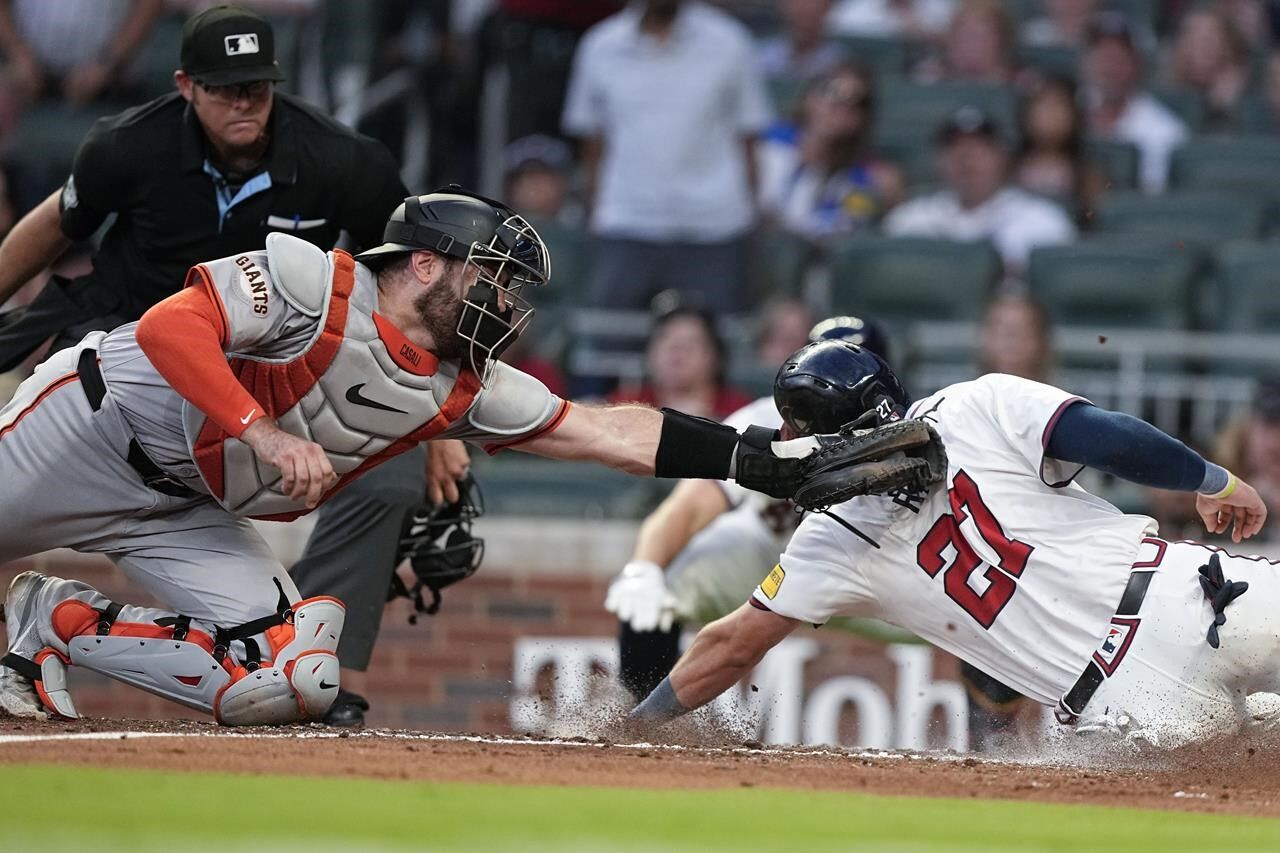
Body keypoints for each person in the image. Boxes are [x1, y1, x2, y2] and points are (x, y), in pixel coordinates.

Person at [0, 188, 806, 725]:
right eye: (491, 276)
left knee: (296, 680)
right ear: (426, 263)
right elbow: (168, 330)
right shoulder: (310, 280)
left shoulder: (466, 385)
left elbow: (609, 435)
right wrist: (266, 433)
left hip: (184, 508)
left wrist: (755, 457)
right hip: (91, 428)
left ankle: (58, 622)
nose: (508, 302)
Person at [629, 340, 1273, 751]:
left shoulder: (833, 538)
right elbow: (1106, 437)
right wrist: (1210, 478)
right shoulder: (976, 403)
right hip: (1183, 598)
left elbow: (726, 646)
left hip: (1128, 695)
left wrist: (631, 731)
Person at [0, 4, 408, 373]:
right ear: (186, 86)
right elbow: (60, 219)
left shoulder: (342, 159)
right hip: (129, 322)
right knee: (71, 395)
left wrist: (430, 419)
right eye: (225, 88)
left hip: (266, 346)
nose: (243, 102)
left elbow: (402, 272)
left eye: (255, 86)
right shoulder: (128, 144)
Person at [607, 316, 890, 701]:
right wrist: (643, 569)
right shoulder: (765, 420)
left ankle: (993, 737)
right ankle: (639, 722)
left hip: (876, 573)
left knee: (978, 607)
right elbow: (689, 507)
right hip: (776, 560)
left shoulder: (914, 430)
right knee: (668, 577)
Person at [560, 0, 771, 317]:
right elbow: (592, 144)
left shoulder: (729, 42)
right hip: (626, 223)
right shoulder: (599, 46)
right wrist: (597, 210)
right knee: (608, 348)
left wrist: (752, 215)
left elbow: (749, 139)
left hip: (714, 228)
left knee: (718, 350)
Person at [882, 106, 1076, 279]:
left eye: (979, 149)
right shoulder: (910, 219)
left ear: (1002, 157)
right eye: (955, 149)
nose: (967, 159)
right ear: (939, 160)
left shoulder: (1042, 221)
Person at [759, 63, 903, 243]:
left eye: (857, 101)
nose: (840, 106)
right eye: (831, 91)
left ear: (864, 117)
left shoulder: (871, 177)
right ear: (809, 97)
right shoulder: (764, 143)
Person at [1081, 12, 1187, 194]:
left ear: (1136, 63)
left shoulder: (1165, 130)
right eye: (1101, 56)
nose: (1108, 67)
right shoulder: (1066, 110)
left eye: (1117, 57)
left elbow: (1152, 195)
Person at [608, 305, 752, 421]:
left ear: (715, 356)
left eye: (691, 343)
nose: (676, 352)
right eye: (666, 340)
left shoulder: (741, 412)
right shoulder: (626, 405)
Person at [1013, 78, 1106, 215]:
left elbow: (1094, 215)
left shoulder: (1088, 172)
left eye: (1058, 107)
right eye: (1043, 107)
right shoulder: (1007, 166)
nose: (1051, 116)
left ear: (1074, 116)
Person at [1167, 7, 1251, 130]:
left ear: (1228, 47)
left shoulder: (1247, 96)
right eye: (1192, 38)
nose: (1199, 47)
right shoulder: (1163, 94)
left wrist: (1223, 108)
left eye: (1208, 39)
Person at [756, 0, 847, 82]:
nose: (804, 7)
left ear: (827, 7)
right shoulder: (762, 54)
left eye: (812, 2)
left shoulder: (839, 61)